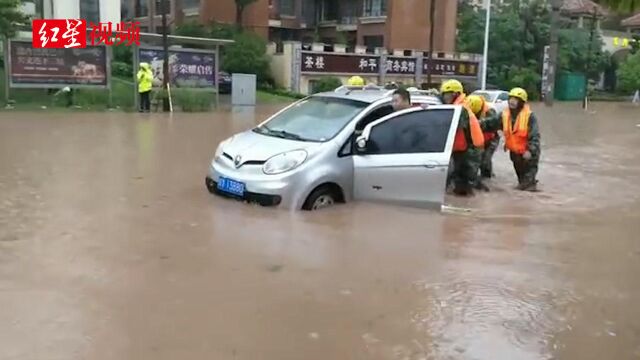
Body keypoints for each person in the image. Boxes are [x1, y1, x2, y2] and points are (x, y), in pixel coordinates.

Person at [483, 87, 541, 191]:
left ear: (521, 102)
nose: (512, 101)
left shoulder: (530, 117)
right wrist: (474, 123)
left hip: (528, 154)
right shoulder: (504, 115)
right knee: (521, 181)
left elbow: (535, 135)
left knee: (527, 186)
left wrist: (530, 150)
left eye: (516, 99)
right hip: (515, 153)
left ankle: (530, 189)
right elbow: (490, 123)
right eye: (511, 99)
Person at [440, 79, 485, 196]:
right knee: (461, 183)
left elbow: (453, 128)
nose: (444, 97)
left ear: (455, 94)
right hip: (465, 149)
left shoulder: (461, 109)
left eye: (446, 94)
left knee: (464, 186)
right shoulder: (458, 106)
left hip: (469, 151)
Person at [465, 95, 500, 181]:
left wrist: (480, 123)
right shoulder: (467, 109)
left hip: (491, 139)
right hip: (478, 139)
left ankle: (487, 177)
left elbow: (495, 125)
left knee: (486, 159)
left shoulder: (490, 111)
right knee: (475, 158)